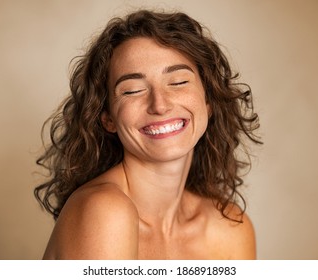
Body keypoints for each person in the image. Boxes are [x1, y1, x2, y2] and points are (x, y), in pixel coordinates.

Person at [34, 9, 261, 259]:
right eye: (132, 90)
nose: (160, 105)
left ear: (209, 101)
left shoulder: (230, 227)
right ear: (107, 117)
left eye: (178, 82)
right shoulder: (104, 210)